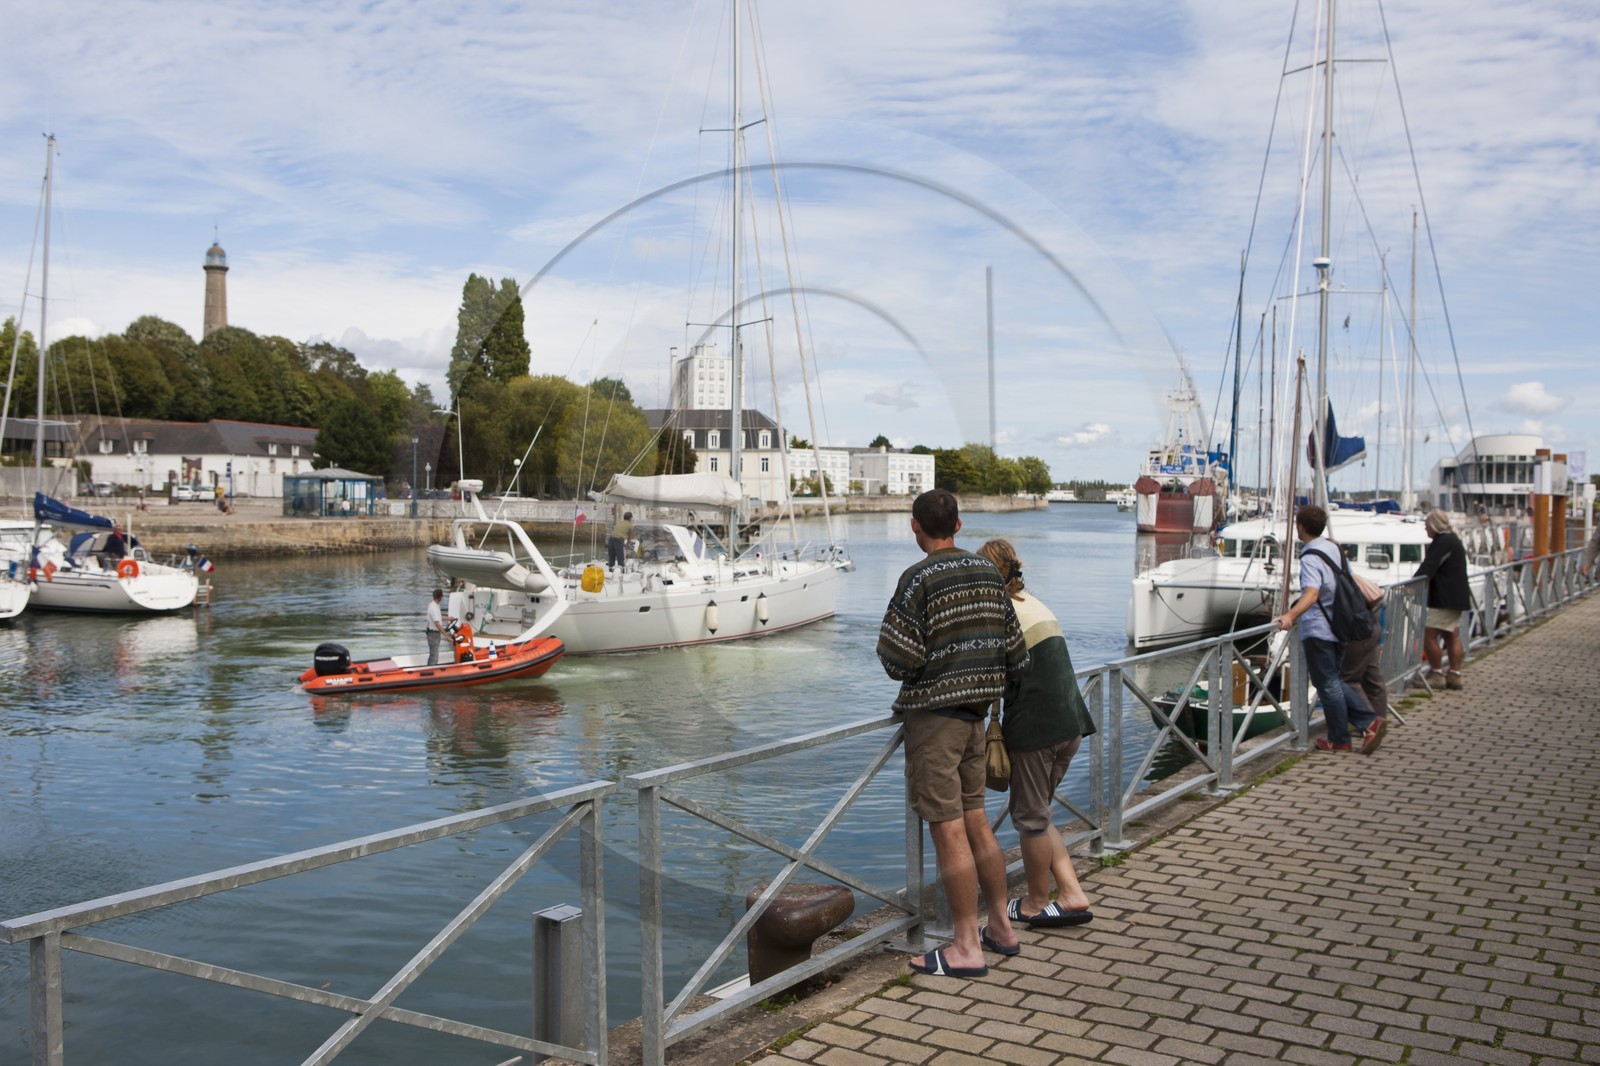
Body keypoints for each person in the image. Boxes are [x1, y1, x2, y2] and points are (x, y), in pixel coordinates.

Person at [878, 489, 1029, 978]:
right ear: (959, 525)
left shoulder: (917, 578)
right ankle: (1001, 930)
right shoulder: (989, 573)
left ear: (915, 526)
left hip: (937, 720)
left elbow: (897, 658)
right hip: (977, 717)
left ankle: (966, 945)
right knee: (977, 820)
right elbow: (1017, 653)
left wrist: (936, 663)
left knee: (947, 830)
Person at [976, 537, 1095, 929]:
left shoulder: (999, 612)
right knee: (1039, 816)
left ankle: (1035, 902)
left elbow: (989, 671)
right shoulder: (1033, 603)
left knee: (1029, 819)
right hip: (1071, 724)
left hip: (1037, 730)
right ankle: (1073, 895)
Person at [1271, 505, 1384, 754]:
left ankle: (1365, 722)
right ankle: (1340, 737)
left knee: (1329, 682)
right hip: (1341, 624)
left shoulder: (1311, 557)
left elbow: (1312, 593)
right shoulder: (1333, 548)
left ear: (1300, 526)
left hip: (1320, 628)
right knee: (1332, 680)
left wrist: (1290, 615)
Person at [1413, 509, 1471, 690]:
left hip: (1444, 598)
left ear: (1433, 526)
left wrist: (1411, 585)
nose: (1425, 529)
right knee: (1451, 634)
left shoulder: (1442, 542)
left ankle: (1437, 673)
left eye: (1426, 526)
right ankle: (1455, 674)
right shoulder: (1453, 539)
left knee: (1428, 634)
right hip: (1457, 596)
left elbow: (1428, 567)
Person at [425, 588, 452, 665]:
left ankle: (431, 668)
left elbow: (438, 617)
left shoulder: (434, 605)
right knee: (434, 655)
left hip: (434, 633)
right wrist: (447, 637)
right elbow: (437, 624)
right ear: (440, 597)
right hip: (433, 634)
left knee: (434, 653)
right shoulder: (433, 607)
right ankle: (430, 671)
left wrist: (448, 618)